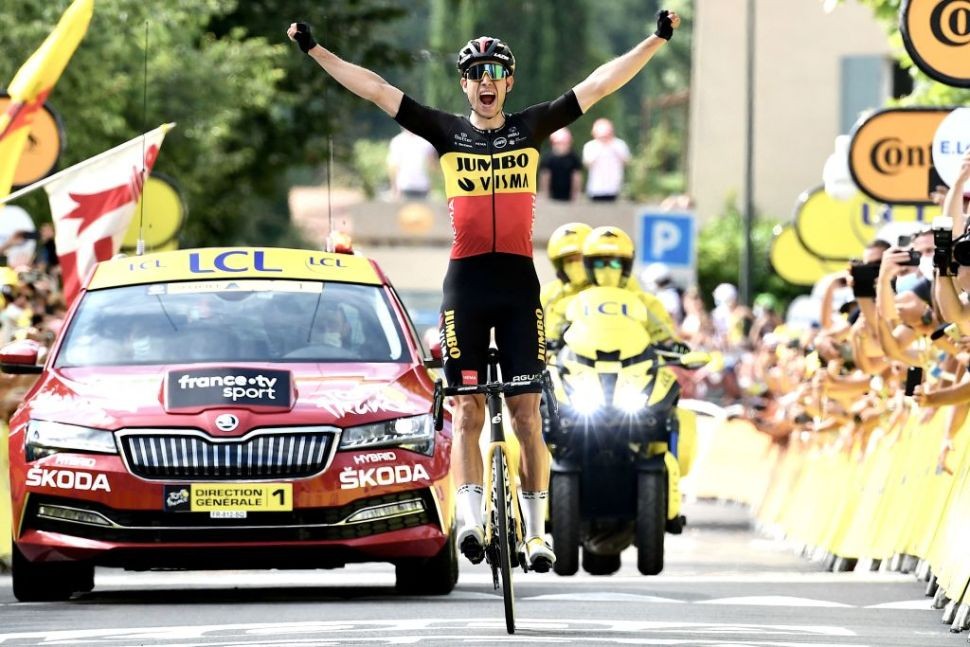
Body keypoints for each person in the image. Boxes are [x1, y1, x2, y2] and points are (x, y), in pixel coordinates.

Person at [287, 10, 682, 572]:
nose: (487, 81)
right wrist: (316, 51)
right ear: (465, 84)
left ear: (508, 82)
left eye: (496, 71)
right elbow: (376, 90)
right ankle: (471, 522)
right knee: (468, 410)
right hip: (466, 286)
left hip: (519, 285)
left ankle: (540, 532)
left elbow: (601, 82)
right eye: (476, 73)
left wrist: (655, 40)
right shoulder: (447, 131)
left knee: (527, 415)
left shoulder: (532, 127)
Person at [541, 222, 592, 344]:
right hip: (556, 360)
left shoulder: (606, 289)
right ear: (560, 265)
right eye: (570, 261)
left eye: (580, 258)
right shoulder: (547, 295)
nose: (576, 265)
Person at [582, 118, 631, 202]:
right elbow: (588, 163)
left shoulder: (619, 144)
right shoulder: (590, 146)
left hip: (614, 189)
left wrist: (611, 146)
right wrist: (601, 147)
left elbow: (626, 161)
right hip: (595, 189)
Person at [386, 127, 437, 200]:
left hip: (423, 186)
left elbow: (431, 165)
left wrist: (432, 186)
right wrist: (394, 189)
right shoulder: (397, 141)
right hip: (404, 186)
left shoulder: (426, 141)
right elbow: (393, 167)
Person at [539, 128, 583, 202]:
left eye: (565, 143)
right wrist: (545, 194)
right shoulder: (548, 158)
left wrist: (576, 194)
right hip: (552, 197)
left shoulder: (573, 157)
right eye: (559, 143)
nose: (562, 146)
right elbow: (544, 177)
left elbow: (576, 177)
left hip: (568, 197)